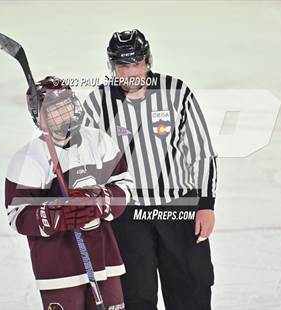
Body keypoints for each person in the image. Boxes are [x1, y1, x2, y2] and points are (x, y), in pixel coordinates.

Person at [82, 30, 217, 310]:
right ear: (112, 67)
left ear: (147, 61)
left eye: (136, 64)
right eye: (122, 65)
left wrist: (205, 204)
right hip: (127, 215)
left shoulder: (176, 92)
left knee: (190, 292)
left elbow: (201, 152)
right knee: (135, 297)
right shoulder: (98, 101)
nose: (130, 72)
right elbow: (82, 154)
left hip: (179, 210)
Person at [4, 76, 133, 310]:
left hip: (105, 260)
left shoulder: (99, 141)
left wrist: (100, 201)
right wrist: (54, 214)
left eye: (67, 105)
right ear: (39, 115)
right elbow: (17, 215)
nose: (64, 113)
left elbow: (124, 185)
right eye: (55, 110)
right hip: (58, 267)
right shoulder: (28, 158)